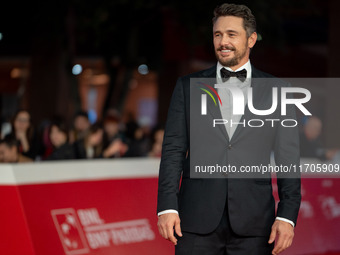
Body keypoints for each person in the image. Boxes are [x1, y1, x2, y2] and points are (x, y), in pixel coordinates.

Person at [157, 3, 301, 255]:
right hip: (194, 222)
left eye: (231, 34)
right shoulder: (187, 86)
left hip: (255, 224)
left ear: (251, 39)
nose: (223, 41)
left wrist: (287, 216)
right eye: (217, 34)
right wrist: (167, 207)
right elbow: (173, 151)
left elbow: (288, 159)